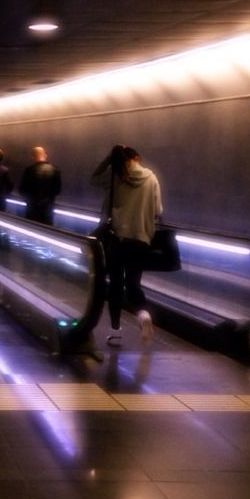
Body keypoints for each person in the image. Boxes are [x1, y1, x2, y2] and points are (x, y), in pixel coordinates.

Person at [91, 144, 163, 347]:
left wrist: (107, 159)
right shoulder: (151, 177)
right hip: (141, 240)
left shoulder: (114, 177)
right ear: (137, 158)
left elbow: (93, 179)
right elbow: (157, 210)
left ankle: (115, 332)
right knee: (133, 284)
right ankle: (143, 315)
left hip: (117, 239)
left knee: (115, 285)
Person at [17, 146, 62, 224]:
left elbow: (22, 190)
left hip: (32, 209)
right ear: (45, 155)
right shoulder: (55, 170)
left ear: (33, 156)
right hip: (47, 210)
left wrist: (29, 200)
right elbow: (57, 190)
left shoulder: (29, 170)